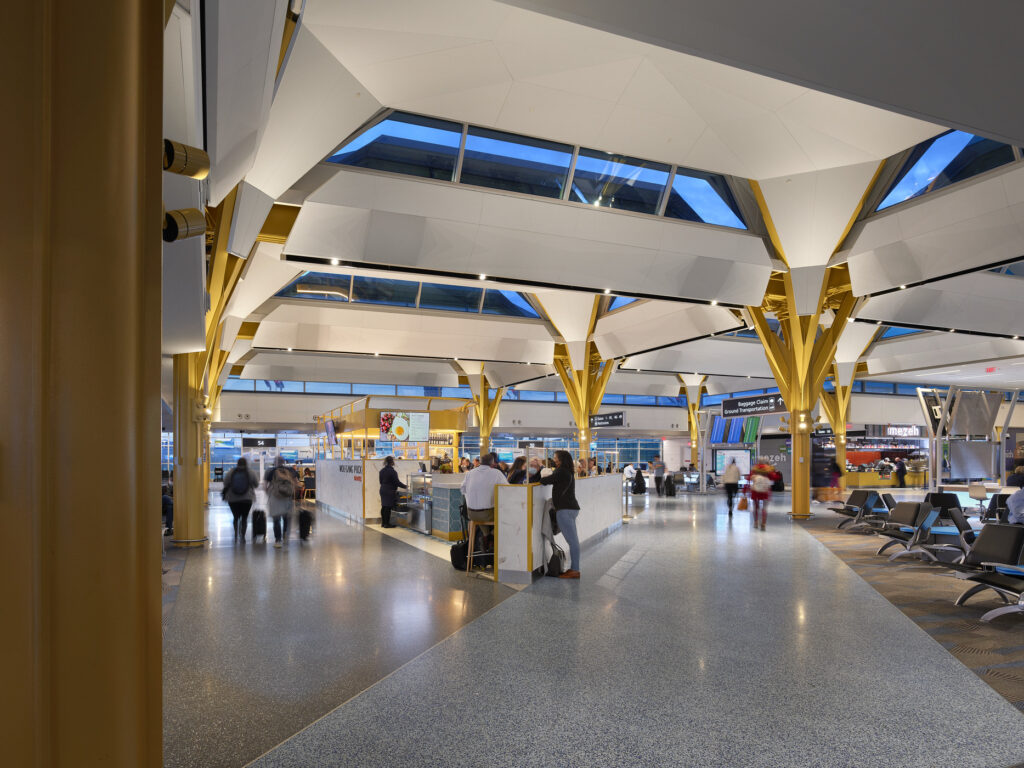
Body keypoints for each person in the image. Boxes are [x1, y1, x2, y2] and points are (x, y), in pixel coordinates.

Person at [538, 450, 582, 579]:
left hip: (565, 510)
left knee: (572, 541)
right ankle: (574, 569)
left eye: (555, 457)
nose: (554, 459)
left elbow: (544, 481)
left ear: (561, 459)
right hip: (570, 508)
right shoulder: (567, 471)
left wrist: (541, 472)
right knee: (573, 540)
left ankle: (575, 570)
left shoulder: (561, 471)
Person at [461, 454, 508, 562]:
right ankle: (491, 536)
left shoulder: (470, 473)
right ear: (492, 463)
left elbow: (462, 489)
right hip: (487, 514)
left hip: (471, 514)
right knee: (507, 517)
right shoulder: (496, 473)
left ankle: (486, 536)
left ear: (480, 462)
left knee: (482, 513)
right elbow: (507, 489)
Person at [265, 456, 299, 548]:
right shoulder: (290, 470)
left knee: (276, 520)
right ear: (283, 462)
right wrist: (292, 493)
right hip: (287, 498)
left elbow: (265, 487)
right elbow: (296, 484)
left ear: (275, 462)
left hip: (275, 498)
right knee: (286, 518)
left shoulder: (270, 471)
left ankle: (278, 540)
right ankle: (285, 536)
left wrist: (269, 493)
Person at [223, 457, 259, 542]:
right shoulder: (251, 472)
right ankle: (242, 535)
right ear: (246, 463)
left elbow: (225, 483)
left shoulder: (231, 472)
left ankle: (235, 534)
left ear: (237, 463)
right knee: (244, 518)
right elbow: (256, 484)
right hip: (247, 499)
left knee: (235, 517)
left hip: (233, 499)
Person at [379, 455, 407, 528]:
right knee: (388, 508)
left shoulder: (382, 471)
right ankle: (387, 524)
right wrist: (406, 486)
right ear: (392, 462)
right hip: (389, 491)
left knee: (384, 506)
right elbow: (397, 482)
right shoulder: (393, 472)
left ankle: (383, 523)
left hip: (382, 490)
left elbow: (381, 481)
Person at [747, 464, 773, 531]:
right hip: (764, 493)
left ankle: (756, 522)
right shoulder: (767, 477)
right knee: (764, 508)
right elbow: (773, 479)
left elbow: (748, 479)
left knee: (755, 507)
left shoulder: (754, 476)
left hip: (755, 492)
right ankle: (763, 523)